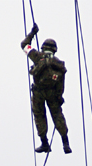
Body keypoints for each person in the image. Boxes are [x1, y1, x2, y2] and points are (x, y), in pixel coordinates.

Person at [21, 23, 71, 154]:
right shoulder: (58, 64)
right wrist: (59, 97)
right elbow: (61, 84)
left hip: (38, 92)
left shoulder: (37, 56)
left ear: (43, 48)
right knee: (57, 116)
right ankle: (65, 142)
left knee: (39, 115)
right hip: (53, 94)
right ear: (55, 50)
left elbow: (24, 45)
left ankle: (44, 143)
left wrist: (32, 33)